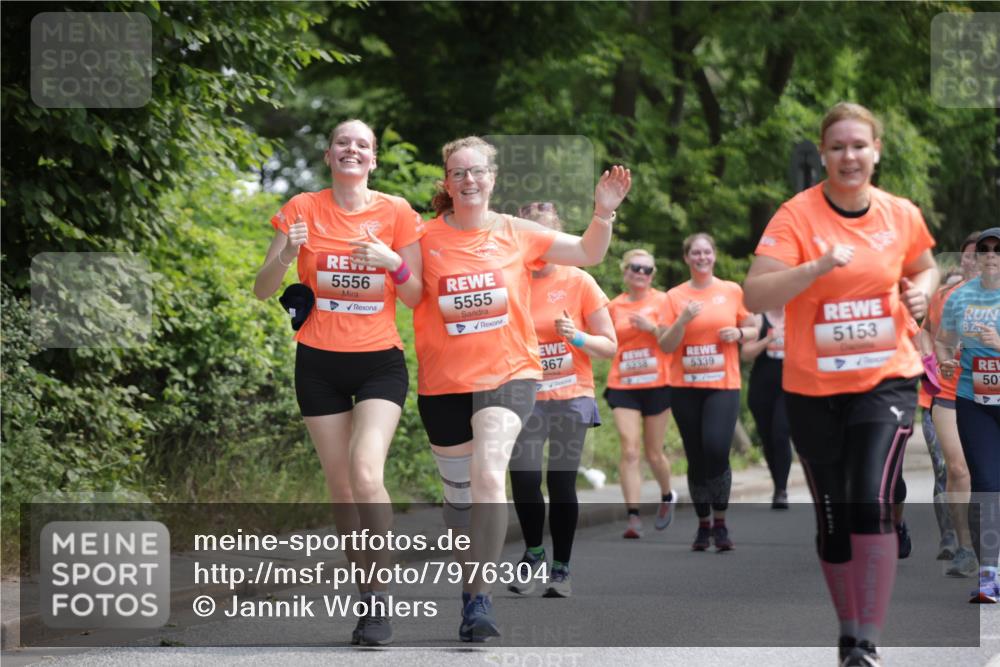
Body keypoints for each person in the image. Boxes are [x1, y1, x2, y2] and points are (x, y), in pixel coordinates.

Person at [412, 136, 631, 641]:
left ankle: (478, 600)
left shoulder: (515, 231)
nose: (469, 180)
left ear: (493, 179)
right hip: (443, 382)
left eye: (478, 172)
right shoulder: (424, 238)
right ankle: (472, 581)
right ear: (447, 182)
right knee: (458, 499)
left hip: (510, 375)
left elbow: (587, 252)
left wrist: (603, 213)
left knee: (490, 475)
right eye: (458, 173)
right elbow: (401, 288)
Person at [743, 102, 938, 666]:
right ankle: (847, 632)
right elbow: (756, 296)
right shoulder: (796, 216)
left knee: (870, 502)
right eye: (837, 147)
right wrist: (816, 267)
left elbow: (922, 263)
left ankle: (867, 645)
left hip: (887, 380)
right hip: (812, 388)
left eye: (859, 146)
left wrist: (919, 290)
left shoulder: (900, 213)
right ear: (823, 154)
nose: (848, 156)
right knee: (831, 515)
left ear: (876, 151)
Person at [253, 120, 425, 646]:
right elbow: (262, 289)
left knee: (366, 473)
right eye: (343, 143)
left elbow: (416, 296)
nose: (353, 150)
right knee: (341, 488)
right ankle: (366, 598)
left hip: (378, 362)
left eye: (363, 145)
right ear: (330, 154)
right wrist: (287, 254)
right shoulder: (302, 209)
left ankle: (381, 593)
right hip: (319, 363)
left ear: (373, 159)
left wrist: (391, 261)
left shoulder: (396, 212)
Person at [506, 203, 617, 598]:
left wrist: (578, 337)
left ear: (558, 238)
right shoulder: (508, 279)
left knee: (561, 480)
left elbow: (610, 345)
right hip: (524, 395)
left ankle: (561, 568)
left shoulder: (580, 282)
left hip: (571, 395)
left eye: (545, 235)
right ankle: (534, 552)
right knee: (524, 478)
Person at [657, 233, 757, 551]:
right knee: (696, 455)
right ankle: (703, 526)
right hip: (685, 387)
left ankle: (722, 522)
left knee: (716, 449)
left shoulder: (731, 290)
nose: (701, 257)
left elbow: (755, 327)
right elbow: (665, 344)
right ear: (687, 258)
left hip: (722, 386)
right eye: (695, 253)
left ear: (714, 256)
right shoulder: (674, 296)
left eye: (707, 252)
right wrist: (683, 320)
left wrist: (740, 332)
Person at [937, 227, 1000, 603]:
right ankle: (990, 573)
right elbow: (943, 341)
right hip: (974, 401)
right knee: (987, 484)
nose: (991, 255)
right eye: (984, 250)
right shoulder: (959, 299)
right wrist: (947, 364)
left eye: (998, 250)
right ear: (975, 258)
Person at [604, 249, 677, 538]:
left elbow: (674, 340)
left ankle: (666, 494)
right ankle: (633, 516)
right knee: (630, 449)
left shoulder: (664, 301)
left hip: (658, 383)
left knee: (654, 453)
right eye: (635, 267)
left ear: (653, 275)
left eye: (647, 270)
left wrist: (653, 328)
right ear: (625, 271)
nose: (641, 273)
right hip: (623, 385)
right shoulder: (613, 306)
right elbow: (604, 340)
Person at [922, 234, 981, 577]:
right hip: (949, 391)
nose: (977, 262)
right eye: (971, 257)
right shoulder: (946, 298)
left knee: (985, 473)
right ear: (962, 261)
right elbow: (928, 332)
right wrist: (932, 358)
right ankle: (964, 546)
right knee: (957, 470)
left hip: (990, 391)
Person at [741, 307, 792, 509]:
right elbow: (745, 354)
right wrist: (768, 340)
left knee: (781, 434)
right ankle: (777, 484)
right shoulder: (758, 318)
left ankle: (782, 490)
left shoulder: (796, 315)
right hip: (762, 388)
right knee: (768, 438)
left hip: (789, 387)